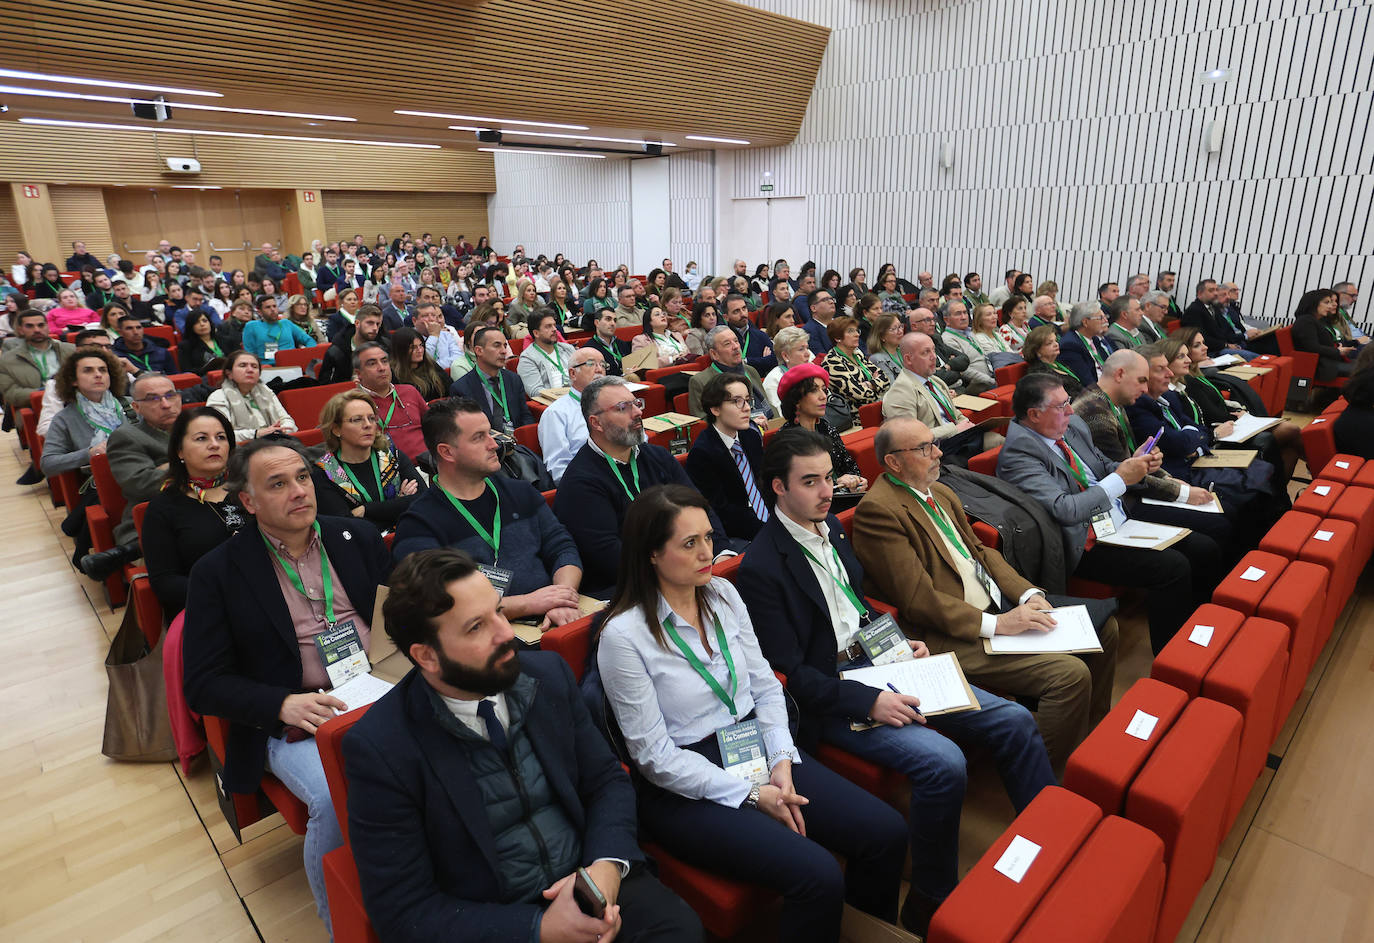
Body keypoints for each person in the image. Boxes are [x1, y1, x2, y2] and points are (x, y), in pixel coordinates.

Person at [736, 430, 1055, 931]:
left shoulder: (831, 531)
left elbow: (858, 609)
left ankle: (1053, 842)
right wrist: (868, 703)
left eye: (826, 478)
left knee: (1014, 719)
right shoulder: (761, 567)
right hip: (834, 691)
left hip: (879, 661)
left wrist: (900, 643)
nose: (826, 492)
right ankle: (932, 900)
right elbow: (794, 677)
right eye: (810, 482)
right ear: (777, 487)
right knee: (944, 761)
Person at [595, 484, 909, 942]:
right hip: (685, 778)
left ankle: (862, 928)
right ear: (651, 555)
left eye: (707, 537)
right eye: (689, 544)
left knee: (886, 832)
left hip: (755, 744)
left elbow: (765, 685)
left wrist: (781, 760)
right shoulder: (622, 636)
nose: (707, 552)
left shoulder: (721, 592)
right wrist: (751, 793)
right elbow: (653, 757)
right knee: (817, 875)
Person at [342, 549, 702, 943]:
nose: (504, 633)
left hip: (588, 877)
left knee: (680, 930)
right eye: (476, 627)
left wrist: (607, 866)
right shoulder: (381, 748)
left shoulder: (546, 675)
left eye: (499, 611)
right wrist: (539, 929)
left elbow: (606, 781)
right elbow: (404, 912)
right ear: (427, 656)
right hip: (496, 919)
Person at [182, 435, 392, 936]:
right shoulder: (218, 573)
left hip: (380, 686)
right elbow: (203, 684)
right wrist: (282, 703)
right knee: (334, 795)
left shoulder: (355, 538)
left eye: (302, 477)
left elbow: (397, 615)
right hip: (296, 717)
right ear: (249, 502)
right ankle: (340, 921)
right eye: (278, 484)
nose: (300, 491)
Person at [852, 417, 1117, 768]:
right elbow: (919, 600)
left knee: (1105, 629)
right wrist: (999, 626)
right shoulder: (879, 511)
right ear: (893, 462)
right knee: (1069, 676)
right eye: (924, 448)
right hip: (952, 633)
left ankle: (1089, 741)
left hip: (996, 607)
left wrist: (1026, 594)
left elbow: (981, 552)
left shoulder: (940, 491)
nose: (938, 452)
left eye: (934, 442)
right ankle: (1047, 774)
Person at [996, 373, 1224, 652]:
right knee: (1174, 567)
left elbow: (1104, 465)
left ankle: (1203, 628)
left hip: (1116, 517)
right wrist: (1121, 478)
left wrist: (1134, 463)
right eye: (1061, 407)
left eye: (1068, 402)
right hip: (1083, 542)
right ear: (1033, 414)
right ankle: (1174, 656)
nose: (1070, 410)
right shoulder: (1019, 454)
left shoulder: (1070, 426)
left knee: (1205, 546)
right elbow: (1064, 509)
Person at [393, 398, 586, 631]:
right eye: (478, 437)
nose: (494, 444)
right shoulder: (420, 523)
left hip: (556, 615)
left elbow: (562, 547)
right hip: (483, 637)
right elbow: (436, 603)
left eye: (490, 433)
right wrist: (527, 604)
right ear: (447, 452)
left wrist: (562, 598)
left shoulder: (522, 492)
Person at [554, 377, 732, 596]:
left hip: (689, 564)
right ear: (596, 423)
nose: (637, 412)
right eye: (623, 408)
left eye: (636, 403)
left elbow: (699, 506)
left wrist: (720, 552)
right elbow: (611, 557)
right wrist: (682, 568)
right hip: (634, 590)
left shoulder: (657, 456)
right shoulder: (580, 482)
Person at [79, 372, 184, 579]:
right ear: (136, 407)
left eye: (171, 395)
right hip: (151, 525)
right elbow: (143, 484)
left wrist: (166, 467)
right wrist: (190, 463)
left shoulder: (195, 426)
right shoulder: (127, 436)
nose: (165, 404)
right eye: (153, 398)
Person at [141, 407, 245, 616]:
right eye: (201, 438)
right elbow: (165, 583)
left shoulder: (251, 489)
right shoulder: (163, 508)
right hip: (210, 607)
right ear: (179, 450)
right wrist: (226, 591)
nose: (214, 444)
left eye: (221, 437)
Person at [1176, 325, 1303, 481]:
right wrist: (1239, 418)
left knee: (1290, 442)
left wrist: (1239, 412)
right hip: (1225, 432)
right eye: (1197, 345)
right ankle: (1303, 475)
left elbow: (1218, 403)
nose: (1205, 347)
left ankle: (1279, 489)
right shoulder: (1189, 381)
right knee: (1291, 431)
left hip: (1232, 424)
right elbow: (1211, 414)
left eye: (1203, 343)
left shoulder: (1198, 374)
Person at [310, 389, 424, 531]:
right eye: (357, 420)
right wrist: (399, 504)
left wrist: (366, 510)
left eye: (371, 418)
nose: (368, 425)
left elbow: (423, 501)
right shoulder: (323, 473)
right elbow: (346, 526)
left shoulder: (393, 457)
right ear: (336, 429)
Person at [685, 372, 772, 541]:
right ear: (715, 408)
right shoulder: (703, 453)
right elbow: (720, 512)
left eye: (747, 400)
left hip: (767, 518)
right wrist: (769, 529)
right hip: (738, 532)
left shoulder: (750, 436)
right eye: (737, 401)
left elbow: (765, 484)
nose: (747, 408)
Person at [778, 364, 866, 492]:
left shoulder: (826, 427)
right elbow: (801, 489)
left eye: (824, 390)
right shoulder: (786, 441)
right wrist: (839, 484)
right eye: (814, 390)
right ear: (796, 399)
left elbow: (850, 466)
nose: (823, 396)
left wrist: (856, 481)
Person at [538, 346, 607, 483]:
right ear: (573, 374)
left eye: (603, 365)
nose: (599, 369)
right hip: (589, 484)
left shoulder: (616, 403)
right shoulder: (556, 413)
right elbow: (559, 469)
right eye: (590, 364)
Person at [449, 325, 534, 434]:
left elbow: (525, 416)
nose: (504, 351)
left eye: (505, 346)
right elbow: (468, 431)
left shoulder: (513, 379)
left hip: (517, 442)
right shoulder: (462, 388)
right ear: (479, 351)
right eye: (497, 346)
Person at [353, 342, 430, 461]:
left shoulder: (410, 391)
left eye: (384, 361)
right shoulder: (353, 404)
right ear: (359, 373)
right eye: (372, 364)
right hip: (387, 472)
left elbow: (433, 427)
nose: (381, 368)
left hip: (428, 465)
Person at [208, 350, 298, 442]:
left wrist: (282, 430)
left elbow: (287, 420)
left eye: (254, 366)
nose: (250, 370)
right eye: (243, 365)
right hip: (243, 450)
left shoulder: (266, 392)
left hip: (277, 442)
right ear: (229, 373)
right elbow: (221, 435)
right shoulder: (218, 397)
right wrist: (257, 434)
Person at [686, 326, 773, 421]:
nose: (735, 346)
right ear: (714, 354)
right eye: (727, 344)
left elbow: (769, 406)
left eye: (736, 341)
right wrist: (750, 425)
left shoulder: (750, 370)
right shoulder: (701, 381)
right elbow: (704, 421)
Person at [820, 316, 889, 416]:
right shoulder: (832, 362)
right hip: (857, 417)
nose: (857, 334)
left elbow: (885, 379)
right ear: (837, 338)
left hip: (878, 408)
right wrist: (876, 384)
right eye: (850, 331)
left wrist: (869, 384)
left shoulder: (857, 354)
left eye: (857, 331)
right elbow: (860, 394)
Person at [1291, 287, 1356, 381]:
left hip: (1328, 362)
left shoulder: (1314, 320)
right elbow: (1312, 347)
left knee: (1366, 365)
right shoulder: (1306, 321)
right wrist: (1338, 351)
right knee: (1366, 371)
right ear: (1313, 304)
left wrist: (1337, 348)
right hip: (1323, 367)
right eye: (1327, 303)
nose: (1330, 306)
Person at [1183, 278, 1258, 359]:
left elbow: (1224, 331)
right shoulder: (1193, 311)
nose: (1215, 293)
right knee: (1253, 357)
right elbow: (1201, 338)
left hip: (1224, 346)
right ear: (1200, 293)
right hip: (1212, 351)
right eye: (1211, 290)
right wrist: (1226, 345)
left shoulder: (1213, 307)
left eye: (1216, 290)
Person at [517, 308, 578, 395]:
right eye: (548, 326)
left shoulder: (568, 349)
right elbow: (535, 392)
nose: (554, 329)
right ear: (536, 333)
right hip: (553, 404)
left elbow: (583, 375)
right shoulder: (527, 359)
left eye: (554, 325)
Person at [320, 305, 385, 386]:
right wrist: (349, 383)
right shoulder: (336, 351)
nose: (375, 328)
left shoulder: (383, 347)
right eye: (370, 323)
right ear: (357, 323)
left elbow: (393, 380)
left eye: (378, 324)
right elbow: (326, 385)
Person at [242, 296, 314, 365]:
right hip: (267, 366)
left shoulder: (286, 323)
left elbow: (309, 340)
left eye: (274, 306)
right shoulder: (252, 326)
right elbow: (250, 353)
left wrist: (306, 356)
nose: (273, 309)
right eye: (268, 307)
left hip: (292, 364)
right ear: (260, 312)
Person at [1056, 302, 1113, 386]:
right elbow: (1086, 382)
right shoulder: (1070, 345)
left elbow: (1109, 365)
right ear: (1085, 322)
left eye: (1105, 317)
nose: (1105, 320)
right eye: (1100, 318)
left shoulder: (1095, 339)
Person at [761, 326, 814, 413]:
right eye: (801, 349)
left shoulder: (813, 369)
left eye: (807, 348)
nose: (808, 354)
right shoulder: (774, 379)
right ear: (785, 356)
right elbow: (780, 414)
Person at [389, 326, 450, 401]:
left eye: (421, 345)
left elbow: (449, 387)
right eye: (413, 347)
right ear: (401, 350)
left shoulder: (431, 365)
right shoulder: (394, 375)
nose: (419, 350)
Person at [1023, 323, 1083, 396]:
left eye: (1056, 340)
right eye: (1049, 343)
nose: (1056, 344)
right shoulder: (1039, 373)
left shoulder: (1058, 363)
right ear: (1037, 350)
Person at [177, 309, 226, 374]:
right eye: (197, 322)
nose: (202, 324)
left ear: (210, 323)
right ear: (191, 326)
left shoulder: (223, 339)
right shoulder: (185, 346)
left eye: (204, 321)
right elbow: (187, 371)